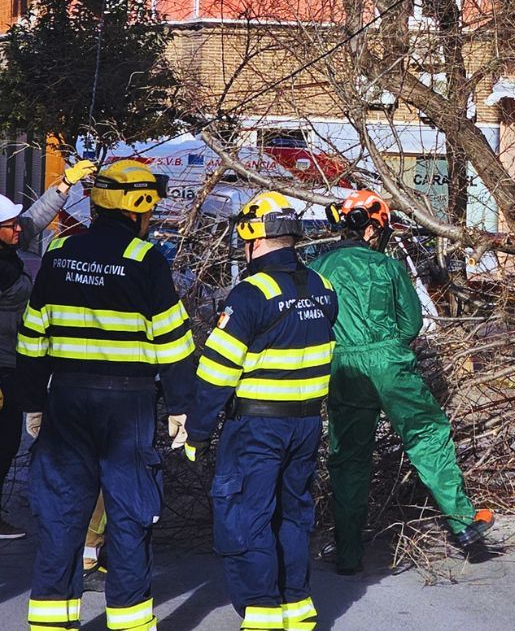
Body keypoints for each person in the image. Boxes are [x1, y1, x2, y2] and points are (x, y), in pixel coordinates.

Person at [16, 160, 194, 631]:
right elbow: (175, 343)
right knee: (131, 514)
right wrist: (180, 406)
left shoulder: (58, 253)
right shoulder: (145, 258)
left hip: (66, 401)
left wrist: (33, 401)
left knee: (61, 516)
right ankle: (130, 622)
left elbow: (33, 338)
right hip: (127, 406)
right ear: (139, 204)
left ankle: (51, 622)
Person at [311, 190, 492, 576]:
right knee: (426, 436)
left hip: (343, 367)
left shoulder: (318, 267)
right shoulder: (388, 267)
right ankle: (463, 524)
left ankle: (347, 552)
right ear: (374, 228)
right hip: (390, 363)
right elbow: (411, 324)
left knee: (349, 458)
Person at [182, 192, 337, 631]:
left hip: (257, 428)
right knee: (292, 512)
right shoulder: (323, 289)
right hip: (306, 424)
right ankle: (297, 605)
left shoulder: (250, 294)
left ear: (252, 234)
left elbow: (216, 374)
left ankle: (263, 610)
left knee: (247, 514)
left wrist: (197, 431)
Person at [0, 159, 97, 540]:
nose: (17, 228)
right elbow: (33, 298)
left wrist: (62, 187)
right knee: (4, 441)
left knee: (7, 442)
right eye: (8, 225)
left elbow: (31, 223)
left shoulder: (7, 248)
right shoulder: (3, 271)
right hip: (3, 366)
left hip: (11, 363)